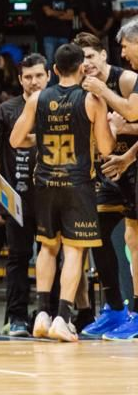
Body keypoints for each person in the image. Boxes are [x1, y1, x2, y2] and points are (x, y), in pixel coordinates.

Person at [9, 43, 113, 342]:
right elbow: (106, 148)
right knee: (73, 251)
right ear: (82, 68)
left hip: (44, 183)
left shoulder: (38, 98)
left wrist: (43, 137)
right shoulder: (92, 100)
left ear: (54, 70)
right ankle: (63, 319)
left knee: (47, 247)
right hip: (77, 184)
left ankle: (42, 313)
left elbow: (17, 140)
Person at [76, 30, 138, 339]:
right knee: (97, 234)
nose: (86, 63)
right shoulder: (83, 87)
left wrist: (126, 148)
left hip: (131, 164)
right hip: (107, 170)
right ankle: (114, 309)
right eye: (81, 59)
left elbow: (133, 116)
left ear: (103, 54)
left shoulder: (126, 80)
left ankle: (133, 313)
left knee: (133, 239)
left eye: (90, 56)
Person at [37, 0, 74, 65]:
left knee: (63, 62)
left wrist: (54, 13)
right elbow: (48, 13)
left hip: (63, 35)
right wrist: (63, 13)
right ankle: (51, 79)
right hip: (49, 35)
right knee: (49, 62)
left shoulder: (66, 0)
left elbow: (70, 16)